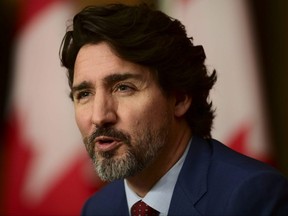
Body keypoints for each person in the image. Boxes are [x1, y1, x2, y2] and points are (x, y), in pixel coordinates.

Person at [60, 3, 288, 216]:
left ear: (179, 98)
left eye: (123, 88)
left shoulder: (251, 196)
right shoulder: (97, 209)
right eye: (85, 94)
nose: (100, 116)